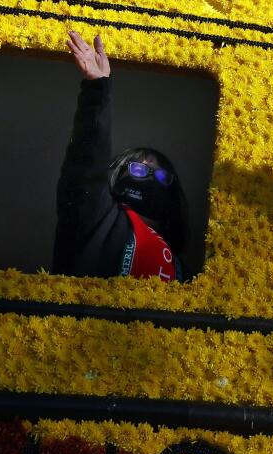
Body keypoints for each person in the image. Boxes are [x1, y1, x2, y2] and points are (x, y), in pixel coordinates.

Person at [49, 29, 186, 282]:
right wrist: (97, 89)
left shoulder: (181, 266)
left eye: (162, 175)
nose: (149, 177)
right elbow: (87, 161)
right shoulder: (96, 217)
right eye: (138, 169)